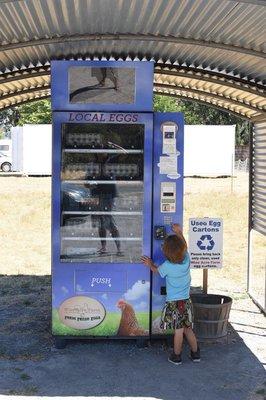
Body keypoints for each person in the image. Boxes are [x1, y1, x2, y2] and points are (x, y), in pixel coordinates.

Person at [141, 223, 200, 365]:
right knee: (188, 329)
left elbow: (156, 271)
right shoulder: (186, 260)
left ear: (166, 253)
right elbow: (184, 245)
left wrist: (150, 264)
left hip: (174, 303)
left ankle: (176, 356)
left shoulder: (168, 266)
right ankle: (196, 354)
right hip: (186, 301)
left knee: (178, 330)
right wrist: (179, 232)